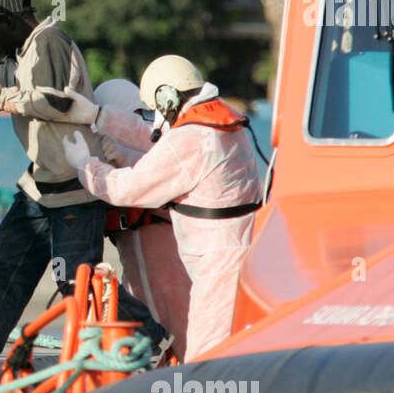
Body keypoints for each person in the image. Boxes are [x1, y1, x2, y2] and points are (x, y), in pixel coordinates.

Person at [0, 0, 164, 382]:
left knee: (78, 281)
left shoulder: (50, 39)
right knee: (0, 271)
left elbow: (53, 101)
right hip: (39, 188)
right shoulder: (18, 56)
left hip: (75, 188)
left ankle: (147, 334)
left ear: (10, 21)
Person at [51, 55, 262, 359]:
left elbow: (125, 188)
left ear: (167, 96)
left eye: (156, 107)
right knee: (231, 348)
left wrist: (85, 165)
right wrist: (98, 115)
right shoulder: (217, 119)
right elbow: (158, 138)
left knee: (205, 356)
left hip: (219, 264)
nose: (156, 115)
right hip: (243, 250)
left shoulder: (191, 137)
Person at [91, 79, 191, 361]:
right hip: (138, 276)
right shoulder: (108, 149)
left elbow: (162, 192)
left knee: (184, 335)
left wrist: (123, 161)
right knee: (155, 336)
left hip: (170, 271)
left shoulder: (156, 147)